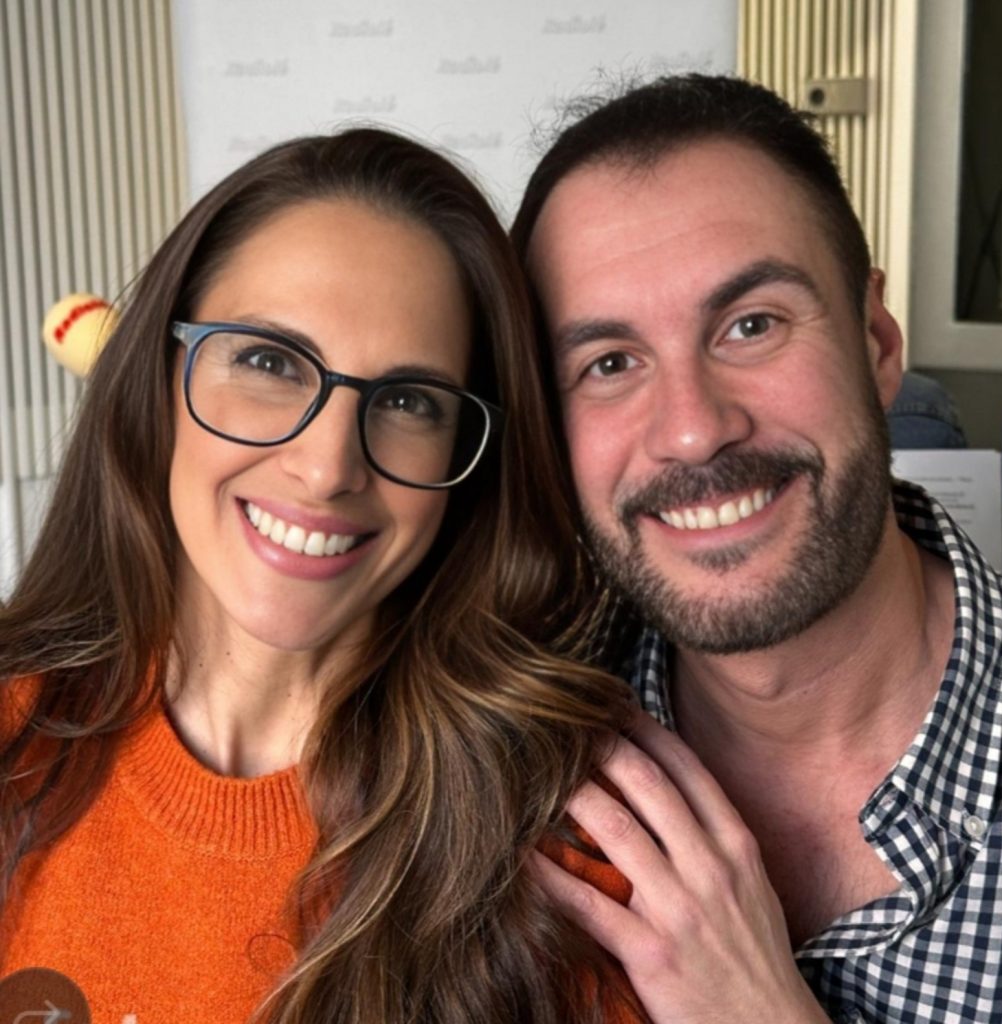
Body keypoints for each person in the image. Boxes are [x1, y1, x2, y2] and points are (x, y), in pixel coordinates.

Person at [0, 128, 644, 1023]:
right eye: (268, 362)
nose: (327, 466)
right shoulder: (15, 731)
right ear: (158, 376)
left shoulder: (563, 843)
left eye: (409, 401)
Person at [512, 73, 1002, 1023]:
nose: (693, 430)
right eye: (609, 364)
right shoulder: (512, 744)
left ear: (876, 342)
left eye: (751, 326)